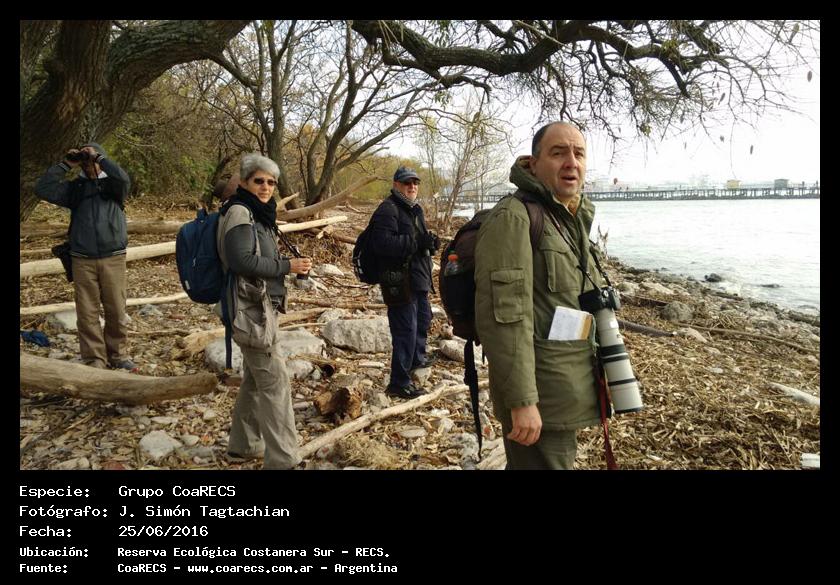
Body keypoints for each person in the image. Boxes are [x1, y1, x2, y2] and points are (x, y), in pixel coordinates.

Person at [474, 122, 605, 469]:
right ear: (533, 164)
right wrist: (522, 400)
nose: (571, 162)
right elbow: (504, 316)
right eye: (558, 153)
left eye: (579, 154)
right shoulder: (515, 217)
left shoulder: (568, 218)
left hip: (567, 387)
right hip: (541, 396)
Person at [216, 153, 312, 469]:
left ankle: (243, 446)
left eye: (271, 182)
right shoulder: (240, 212)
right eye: (259, 181)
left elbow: (256, 257)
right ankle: (284, 460)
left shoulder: (257, 213)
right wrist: (287, 266)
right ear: (244, 182)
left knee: (256, 381)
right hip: (249, 311)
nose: (266, 187)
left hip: (259, 307)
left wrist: (287, 266)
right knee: (275, 382)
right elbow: (241, 261)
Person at [35, 143, 135, 371]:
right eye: (85, 159)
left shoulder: (114, 186)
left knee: (116, 309)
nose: (88, 163)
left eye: (92, 158)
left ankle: (118, 355)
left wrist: (100, 158)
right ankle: (94, 358)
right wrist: (66, 164)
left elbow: (123, 179)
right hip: (82, 258)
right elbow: (43, 188)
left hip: (113, 257)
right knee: (87, 311)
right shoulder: (76, 188)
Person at [369, 166, 439, 399]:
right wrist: (416, 242)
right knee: (405, 330)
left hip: (418, 278)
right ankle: (399, 382)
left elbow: (418, 242)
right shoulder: (388, 209)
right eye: (407, 182)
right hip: (398, 281)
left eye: (415, 183)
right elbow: (381, 244)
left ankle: (417, 359)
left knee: (423, 319)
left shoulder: (414, 209)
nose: (412, 186)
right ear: (396, 185)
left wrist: (430, 244)